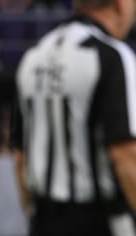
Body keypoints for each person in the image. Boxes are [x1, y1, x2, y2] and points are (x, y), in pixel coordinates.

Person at [12, 0, 136, 235]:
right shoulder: (112, 56)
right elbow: (124, 155)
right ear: (120, 5)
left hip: (43, 220)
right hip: (99, 218)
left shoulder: (34, 56)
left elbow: (20, 157)